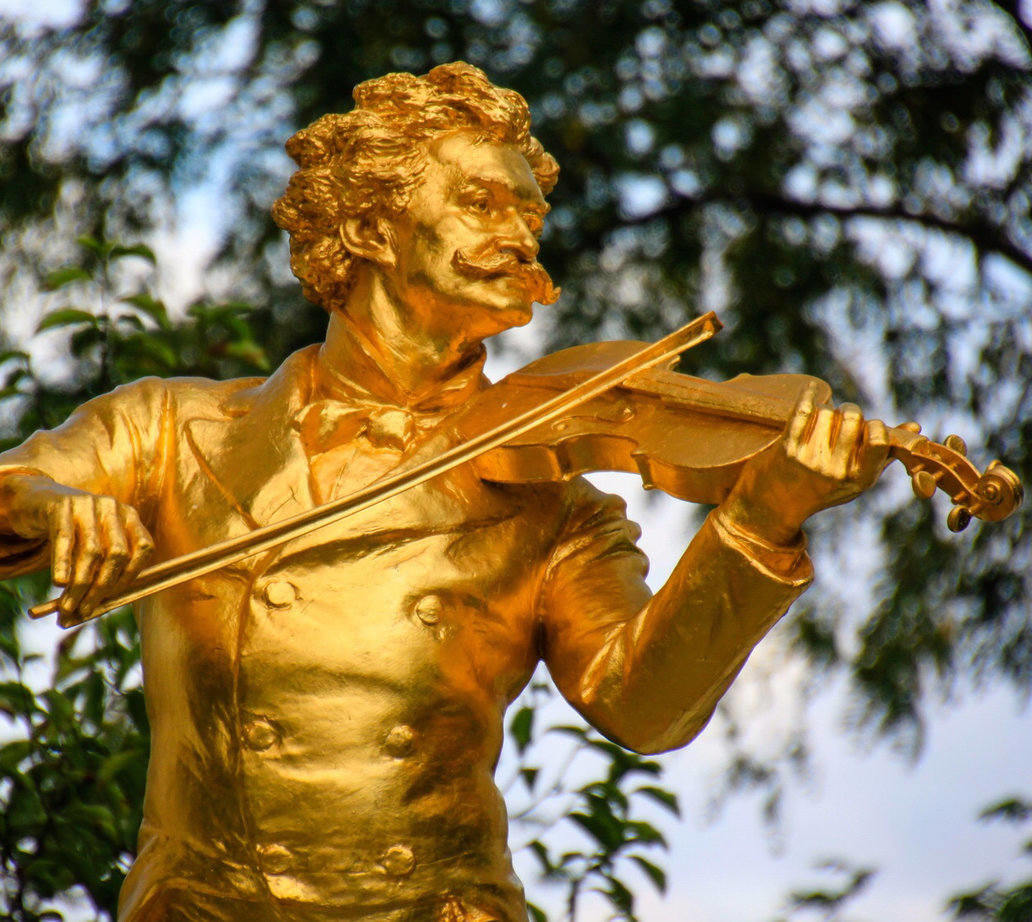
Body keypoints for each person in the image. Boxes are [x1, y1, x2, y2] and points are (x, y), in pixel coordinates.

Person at [0, 63, 888, 922]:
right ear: (370, 230)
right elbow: (12, 484)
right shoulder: (168, 428)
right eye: (481, 203)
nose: (522, 235)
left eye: (530, 211)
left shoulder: (552, 501)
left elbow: (643, 704)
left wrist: (763, 515)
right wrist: (54, 506)